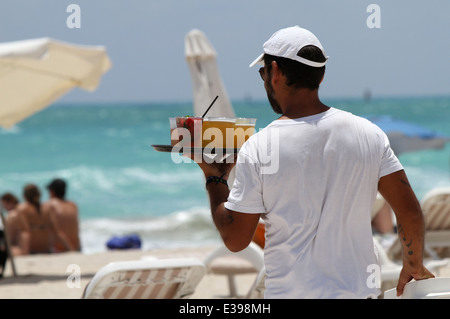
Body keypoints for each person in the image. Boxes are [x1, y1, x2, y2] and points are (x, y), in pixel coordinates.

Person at [188, 26, 434, 298]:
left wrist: (215, 179)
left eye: (263, 73)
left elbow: (235, 239)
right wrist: (412, 264)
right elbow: (410, 212)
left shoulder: (259, 147)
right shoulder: (369, 134)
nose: (264, 81)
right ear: (322, 74)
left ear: (276, 71)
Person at [45, 178, 81, 252]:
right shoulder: (73, 205)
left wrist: (70, 249)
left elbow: (57, 231)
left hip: (61, 249)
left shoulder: (50, 205)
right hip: (78, 247)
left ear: (52, 191)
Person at [16, 184, 53, 254]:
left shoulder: (22, 208)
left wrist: (25, 252)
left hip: (31, 249)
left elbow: (25, 232)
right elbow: (55, 230)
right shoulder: (47, 208)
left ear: (24, 195)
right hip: (46, 248)